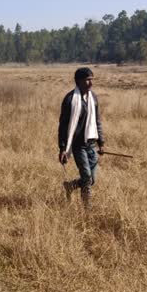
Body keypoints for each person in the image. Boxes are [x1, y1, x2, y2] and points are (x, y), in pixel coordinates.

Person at [58, 67, 104, 209]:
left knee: (92, 179)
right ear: (78, 81)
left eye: (92, 80)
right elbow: (63, 126)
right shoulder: (70, 99)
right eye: (88, 80)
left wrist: (101, 142)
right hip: (78, 146)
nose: (91, 83)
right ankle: (87, 208)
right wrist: (63, 148)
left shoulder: (93, 98)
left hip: (91, 145)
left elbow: (97, 121)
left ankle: (70, 186)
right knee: (87, 177)